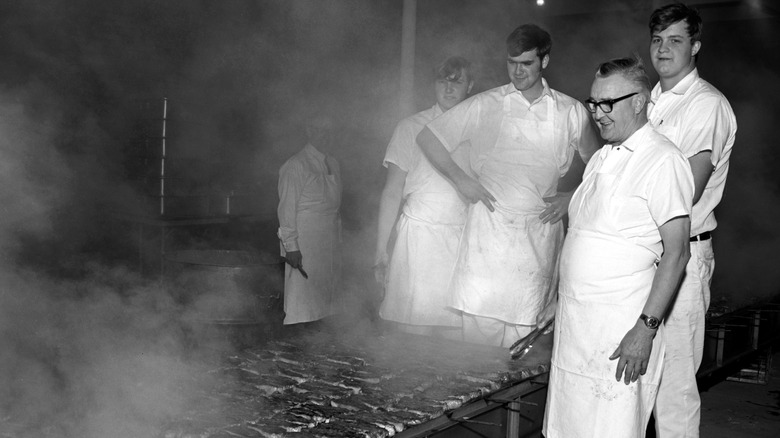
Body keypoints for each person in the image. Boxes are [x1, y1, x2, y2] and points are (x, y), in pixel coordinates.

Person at [416, 24, 599, 347]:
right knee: (475, 355)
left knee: (523, 349)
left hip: (536, 241)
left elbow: (601, 166)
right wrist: (462, 181)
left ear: (544, 61)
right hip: (486, 242)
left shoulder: (570, 111)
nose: (517, 71)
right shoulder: (486, 104)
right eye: (511, 63)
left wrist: (571, 197)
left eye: (526, 63)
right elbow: (428, 137)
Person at [540, 57, 694, 437]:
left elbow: (677, 253)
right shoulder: (600, 159)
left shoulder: (663, 159)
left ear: (639, 102)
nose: (597, 114)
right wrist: (559, 299)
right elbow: (584, 237)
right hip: (577, 329)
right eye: (593, 103)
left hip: (621, 333)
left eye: (607, 103)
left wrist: (645, 330)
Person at [647, 4, 738, 437]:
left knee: (674, 387)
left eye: (676, 40)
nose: (664, 49)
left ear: (696, 46)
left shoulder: (706, 105)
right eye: (658, 40)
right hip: (644, 255)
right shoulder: (649, 100)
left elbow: (688, 191)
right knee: (637, 379)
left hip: (682, 258)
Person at [374, 56, 474, 337]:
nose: (449, 88)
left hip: (460, 239)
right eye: (443, 81)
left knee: (456, 337)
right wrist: (381, 249)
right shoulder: (409, 127)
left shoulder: (479, 131)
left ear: (470, 86)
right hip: (416, 239)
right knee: (413, 335)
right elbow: (392, 191)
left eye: (457, 82)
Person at [276, 115, 342, 325]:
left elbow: (334, 207)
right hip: (304, 239)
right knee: (301, 297)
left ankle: (321, 337)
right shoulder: (296, 165)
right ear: (309, 131)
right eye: (320, 129)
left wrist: (338, 240)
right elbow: (286, 209)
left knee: (325, 294)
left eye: (329, 130)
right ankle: (297, 336)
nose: (325, 135)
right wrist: (291, 246)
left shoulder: (333, 162)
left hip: (328, 239)